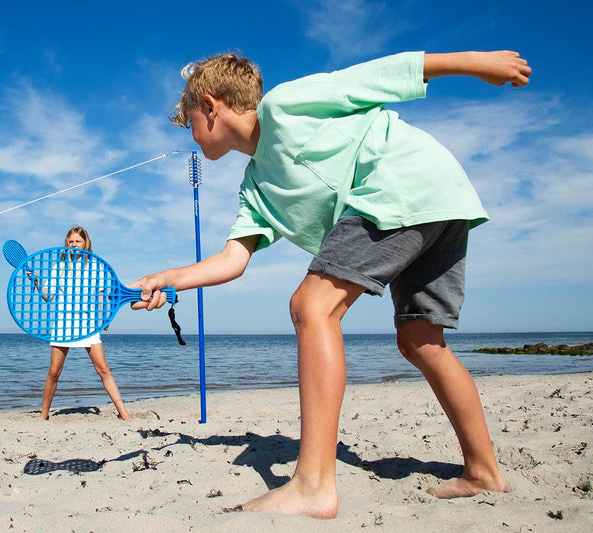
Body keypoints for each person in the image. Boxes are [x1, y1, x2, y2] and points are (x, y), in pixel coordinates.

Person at [129, 50, 531, 518]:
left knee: (312, 305)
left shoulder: (285, 106)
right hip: (440, 197)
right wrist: (166, 279)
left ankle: (313, 486)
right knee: (422, 341)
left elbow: (380, 76)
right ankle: (484, 471)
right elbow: (232, 259)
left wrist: (477, 63)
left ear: (211, 106)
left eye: (189, 120)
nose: (190, 134)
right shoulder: (256, 186)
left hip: (399, 181)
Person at [37, 226, 132, 421]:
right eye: (71, 241)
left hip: (88, 322)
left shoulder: (95, 267)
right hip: (64, 321)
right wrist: (37, 282)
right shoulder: (59, 267)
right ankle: (44, 414)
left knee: (103, 368)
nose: (74, 245)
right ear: (67, 244)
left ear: (85, 243)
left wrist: (104, 318)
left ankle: (124, 413)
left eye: (77, 241)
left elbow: (99, 296)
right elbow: (48, 296)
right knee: (54, 371)